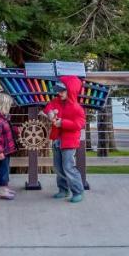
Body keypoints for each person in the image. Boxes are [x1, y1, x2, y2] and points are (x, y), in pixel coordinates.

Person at [44, 75, 85, 203]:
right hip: (57, 140)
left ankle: (78, 191)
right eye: (58, 90)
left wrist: (63, 123)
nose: (59, 93)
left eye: (62, 90)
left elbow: (79, 124)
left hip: (69, 142)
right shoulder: (56, 101)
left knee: (68, 166)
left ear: (71, 91)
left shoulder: (77, 108)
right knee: (58, 167)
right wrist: (50, 113)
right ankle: (63, 189)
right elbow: (49, 107)